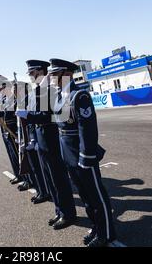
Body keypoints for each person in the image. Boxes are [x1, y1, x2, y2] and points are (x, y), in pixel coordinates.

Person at [49, 58, 117, 247]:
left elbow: (87, 130)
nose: (51, 78)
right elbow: (61, 130)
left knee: (96, 196)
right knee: (85, 197)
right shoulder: (60, 96)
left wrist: (86, 157)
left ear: (67, 74)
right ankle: (96, 227)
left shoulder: (79, 96)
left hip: (82, 155)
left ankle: (107, 234)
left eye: (55, 74)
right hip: (69, 155)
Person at [16, 60, 77, 230]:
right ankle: (59, 210)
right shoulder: (38, 89)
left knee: (59, 179)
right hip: (41, 139)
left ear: (39, 71)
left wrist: (28, 115)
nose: (29, 75)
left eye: (31, 72)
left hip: (50, 138)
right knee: (50, 179)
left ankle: (68, 214)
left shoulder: (46, 90)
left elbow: (46, 116)